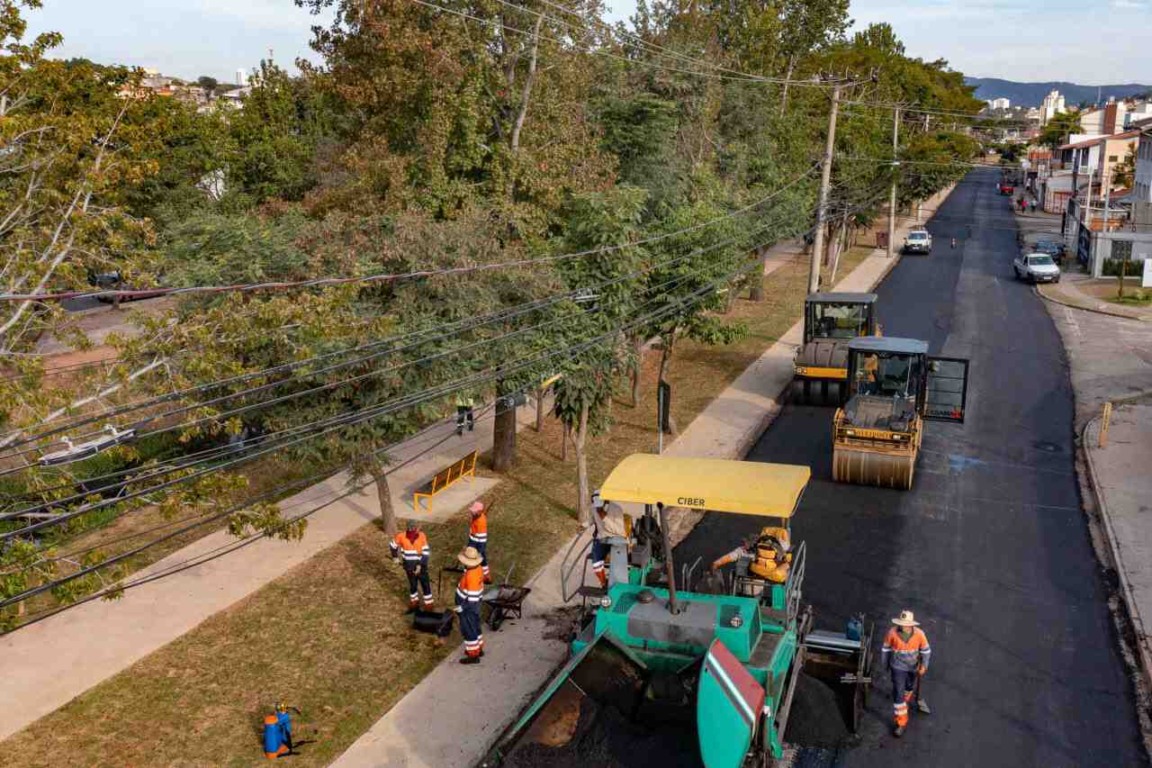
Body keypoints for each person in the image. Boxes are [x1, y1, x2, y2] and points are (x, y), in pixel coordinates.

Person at [882, 610, 932, 737]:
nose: (903, 626)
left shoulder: (920, 634)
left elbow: (926, 651)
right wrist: (885, 664)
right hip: (897, 667)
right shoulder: (892, 633)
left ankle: (905, 701)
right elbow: (886, 649)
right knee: (898, 692)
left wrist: (924, 666)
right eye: (902, 623)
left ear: (911, 625)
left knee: (909, 687)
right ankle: (901, 722)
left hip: (913, 667)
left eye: (906, 624)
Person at [710, 526, 792, 591]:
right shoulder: (778, 549)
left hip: (744, 585)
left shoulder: (743, 551)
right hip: (759, 584)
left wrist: (716, 564)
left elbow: (730, 557)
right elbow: (786, 549)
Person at [390, 521, 434, 612]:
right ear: (410, 528)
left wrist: (420, 565)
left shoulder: (422, 536)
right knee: (413, 585)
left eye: (415, 528)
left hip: (422, 566)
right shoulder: (401, 536)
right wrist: (395, 557)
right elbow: (392, 545)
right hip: (409, 567)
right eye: (412, 527)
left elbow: (426, 552)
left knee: (425, 584)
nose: (414, 529)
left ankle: (429, 605)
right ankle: (414, 603)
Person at [454, 546, 486, 664]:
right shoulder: (477, 569)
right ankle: (479, 648)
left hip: (468, 607)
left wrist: (461, 607)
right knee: (475, 626)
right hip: (475, 606)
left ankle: (473, 655)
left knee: (468, 629)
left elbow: (471, 599)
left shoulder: (471, 576)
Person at [468, 501, 492, 584]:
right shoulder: (476, 516)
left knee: (476, 558)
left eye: (474, 511)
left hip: (479, 541)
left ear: (479, 512)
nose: (472, 512)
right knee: (481, 557)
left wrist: (478, 550)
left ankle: (474, 575)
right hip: (473, 538)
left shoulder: (481, 522)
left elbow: (481, 539)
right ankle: (486, 574)